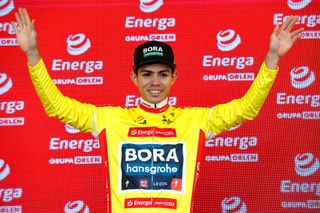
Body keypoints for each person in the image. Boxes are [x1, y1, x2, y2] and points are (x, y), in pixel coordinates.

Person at [11, 8, 303, 213]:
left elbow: (246, 109)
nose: (154, 82)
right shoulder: (110, 119)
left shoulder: (196, 120)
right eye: (147, 73)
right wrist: (32, 55)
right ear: (134, 78)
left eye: (163, 74)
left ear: (173, 78)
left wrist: (272, 58)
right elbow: (57, 106)